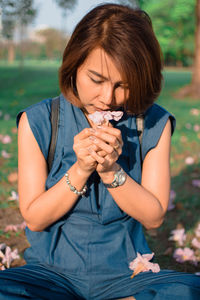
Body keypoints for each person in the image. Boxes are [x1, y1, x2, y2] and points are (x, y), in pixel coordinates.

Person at [0, 3, 199, 300]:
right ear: (74, 65)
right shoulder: (39, 121)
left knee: (188, 291)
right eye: (96, 79)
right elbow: (36, 218)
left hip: (128, 275)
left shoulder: (153, 123)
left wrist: (110, 171)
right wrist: (80, 169)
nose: (108, 98)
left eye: (124, 85)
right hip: (50, 275)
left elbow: (154, 216)